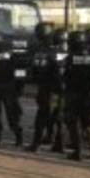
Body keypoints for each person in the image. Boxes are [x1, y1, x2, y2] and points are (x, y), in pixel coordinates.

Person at [63, 30, 90, 161]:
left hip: (73, 94)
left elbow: (65, 75)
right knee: (89, 123)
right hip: (89, 94)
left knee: (73, 124)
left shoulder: (71, 57)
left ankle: (77, 151)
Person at [27, 22, 56, 151]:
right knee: (53, 116)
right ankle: (52, 140)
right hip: (52, 87)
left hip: (47, 87)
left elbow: (34, 70)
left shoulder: (39, 50)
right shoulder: (56, 49)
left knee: (42, 116)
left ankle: (36, 144)